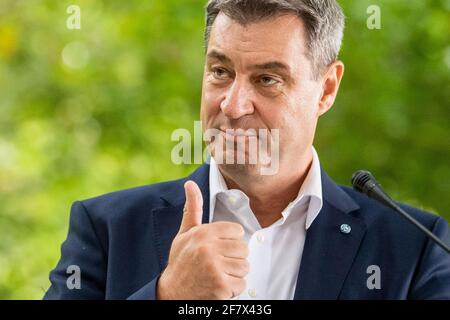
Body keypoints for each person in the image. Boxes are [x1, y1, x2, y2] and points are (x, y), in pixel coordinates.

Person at [44, 0, 450, 300]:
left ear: (326, 89)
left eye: (268, 79)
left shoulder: (416, 247)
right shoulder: (106, 229)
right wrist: (166, 296)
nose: (233, 106)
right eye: (220, 72)